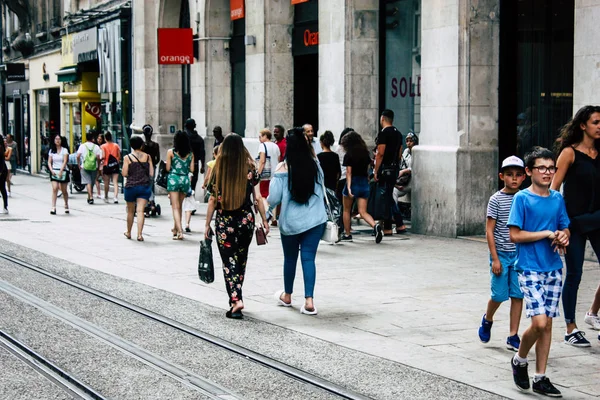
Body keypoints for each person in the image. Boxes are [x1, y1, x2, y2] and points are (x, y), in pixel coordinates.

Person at [507, 147, 570, 397]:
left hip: (554, 268)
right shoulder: (521, 198)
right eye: (541, 168)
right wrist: (545, 233)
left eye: (550, 168)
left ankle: (541, 377)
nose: (547, 172)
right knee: (539, 322)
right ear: (529, 171)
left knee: (548, 325)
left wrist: (564, 237)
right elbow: (514, 235)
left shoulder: (557, 198)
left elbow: (565, 227)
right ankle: (520, 359)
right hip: (529, 267)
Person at [551, 105, 600, 346]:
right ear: (583, 125)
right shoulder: (569, 153)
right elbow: (554, 190)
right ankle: (571, 327)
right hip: (573, 223)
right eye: (596, 122)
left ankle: (592, 314)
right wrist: (559, 226)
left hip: (598, 219)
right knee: (575, 274)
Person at [205, 133, 268, 319]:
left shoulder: (218, 166)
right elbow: (257, 197)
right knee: (240, 260)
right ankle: (237, 294)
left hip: (225, 221)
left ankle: (235, 299)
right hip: (245, 220)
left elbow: (212, 199)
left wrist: (207, 224)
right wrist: (264, 220)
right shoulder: (250, 167)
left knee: (228, 262)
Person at [267, 127, 328, 315]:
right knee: (309, 258)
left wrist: (268, 210)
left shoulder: (282, 169)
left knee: (290, 259)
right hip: (315, 220)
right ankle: (309, 301)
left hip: (291, 222)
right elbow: (323, 187)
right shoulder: (315, 165)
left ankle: (287, 295)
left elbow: (274, 198)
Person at [478, 156, 526, 351]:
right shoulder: (496, 199)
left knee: (518, 295)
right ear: (501, 176)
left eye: (517, 175)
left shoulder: (525, 198)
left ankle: (513, 335)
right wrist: (495, 258)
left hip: (519, 256)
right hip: (501, 255)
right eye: (509, 175)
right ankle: (487, 319)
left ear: (524, 177)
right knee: (499, 295)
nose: (513, 179)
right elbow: (489, 230)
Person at [338, 131, 382, 243]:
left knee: (346, 210)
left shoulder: (349, 155)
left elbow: (348, 173)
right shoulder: (365, 153)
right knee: (363, 212)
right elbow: (368, 169)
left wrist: (348, 187)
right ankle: (375, 226)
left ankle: (347, 234)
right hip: (363, 183)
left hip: (353, 182)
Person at [374, 109, 403, 236]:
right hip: (394, 168)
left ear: (382, 118)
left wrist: (376, 171)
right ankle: (399, 223)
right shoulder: (398, 133)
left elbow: (380, 153)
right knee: (389, 195)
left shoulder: (383, 133)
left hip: (385, 169)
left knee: (385, 197)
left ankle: (388, 227)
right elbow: (400, 153)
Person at [122, 135, 153, 242]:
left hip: (130, 187)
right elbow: (151, 173)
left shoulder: (127, 158)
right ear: (141, 145)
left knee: (130, 211)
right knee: (140, 211)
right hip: (143, 187)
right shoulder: (148, 157)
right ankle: (140, 234)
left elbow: (124, 173)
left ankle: (129, 232)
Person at [167, 130, 194, 240]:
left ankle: (180, 231)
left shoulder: (171, 152)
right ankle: (175, 228)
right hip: (184, 179)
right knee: (180, 206)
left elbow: (168, 168)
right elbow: (192, 169)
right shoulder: (191, 154)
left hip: (174, 179)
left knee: (175, 207)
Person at [393, 131, 418, 233]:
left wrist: (404, 171)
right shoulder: (406, 152)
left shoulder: (417, 152)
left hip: (412, 181)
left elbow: (414, 168)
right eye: (407, 141)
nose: (408, 143)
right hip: (403, 180)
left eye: (410, 141)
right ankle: (394, 215)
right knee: (393, 192)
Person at [76, 131, 102, 205]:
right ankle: (90, 196)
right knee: (91, 182)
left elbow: (77, 156)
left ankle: (90, 197)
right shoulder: (96, 147)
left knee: (88, 182)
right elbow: (98, 157)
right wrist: (98, 164)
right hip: (94, 166)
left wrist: (79, 164)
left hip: (84, 166)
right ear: (93, 139)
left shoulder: (82, 146)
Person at [48, 134, 70, 215]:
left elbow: (65, 161)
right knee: (55, 188)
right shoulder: (51, 150)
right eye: (56, 139)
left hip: (63, 171)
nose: (57, 140)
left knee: (64, 190)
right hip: (54, 171)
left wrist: (61, 170)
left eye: (59, 139)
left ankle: (66, 204)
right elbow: (49, 162)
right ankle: (53, 207)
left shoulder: (64, 150)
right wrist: (51, 170)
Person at [256, 128, 280, 199]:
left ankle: (266, 210)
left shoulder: (262, 146)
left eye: (260, 137)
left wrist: (258, 173)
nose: (259, 139)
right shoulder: (276, 146)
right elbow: (278, 159)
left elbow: (262, 161)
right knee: (273, 196)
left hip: (265, 176)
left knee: (264, 196)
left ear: (265, 136)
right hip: (275, 174)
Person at [271, 125, 287, 226]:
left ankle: (279, 215)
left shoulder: (284, 144)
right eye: (274, 132)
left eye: (277, 132)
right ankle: (275, 216)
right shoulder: (275, 143)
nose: (275, 133)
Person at [184, 118, 205, 192]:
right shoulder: (199, 139)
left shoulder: (183, 138)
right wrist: (202, 165)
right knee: (193, 186)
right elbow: (202, 153)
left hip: (184, 163)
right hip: (195, 164)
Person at [101, 131, 121, 204]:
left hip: (107, 165)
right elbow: (119, 156)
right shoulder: (116, 145)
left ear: (105, 138)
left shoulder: (103, 146)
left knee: (107, 182)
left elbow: (103, 156)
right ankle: (115, 197)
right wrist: (117, 161)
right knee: (115, 181)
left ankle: (106, 196)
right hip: (115, 165)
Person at [95, 133, 105, 200]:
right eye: (98, 139)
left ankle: (103, 193)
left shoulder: (102, 147)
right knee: (96, 179)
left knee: (104, 179)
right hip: (98, 163)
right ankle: (99, 193)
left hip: (102, 164)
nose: (99, 140)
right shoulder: (96, 146)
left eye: (100, 139)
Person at [0, 135, 8, 213]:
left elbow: (1, 161)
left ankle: (5, 206)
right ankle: (5, 206)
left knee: (2, 188)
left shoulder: (1, 149)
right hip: (2, 169)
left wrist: (0, 171)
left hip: (1, 170)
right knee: (2, 188)